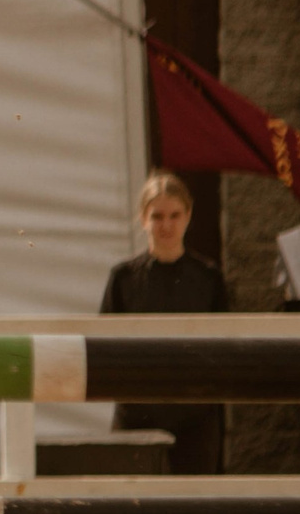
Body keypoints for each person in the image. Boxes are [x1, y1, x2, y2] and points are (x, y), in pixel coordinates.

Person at [99, 170, 230, 472]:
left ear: (188, 215)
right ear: (143, 218)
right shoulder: (123, 278)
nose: (166, 225)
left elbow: (224, 347)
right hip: (137, 416)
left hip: (195, 419)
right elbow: (103, 347)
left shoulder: (209, 278)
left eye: (175, 215)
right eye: (157, 216)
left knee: (194, 508)